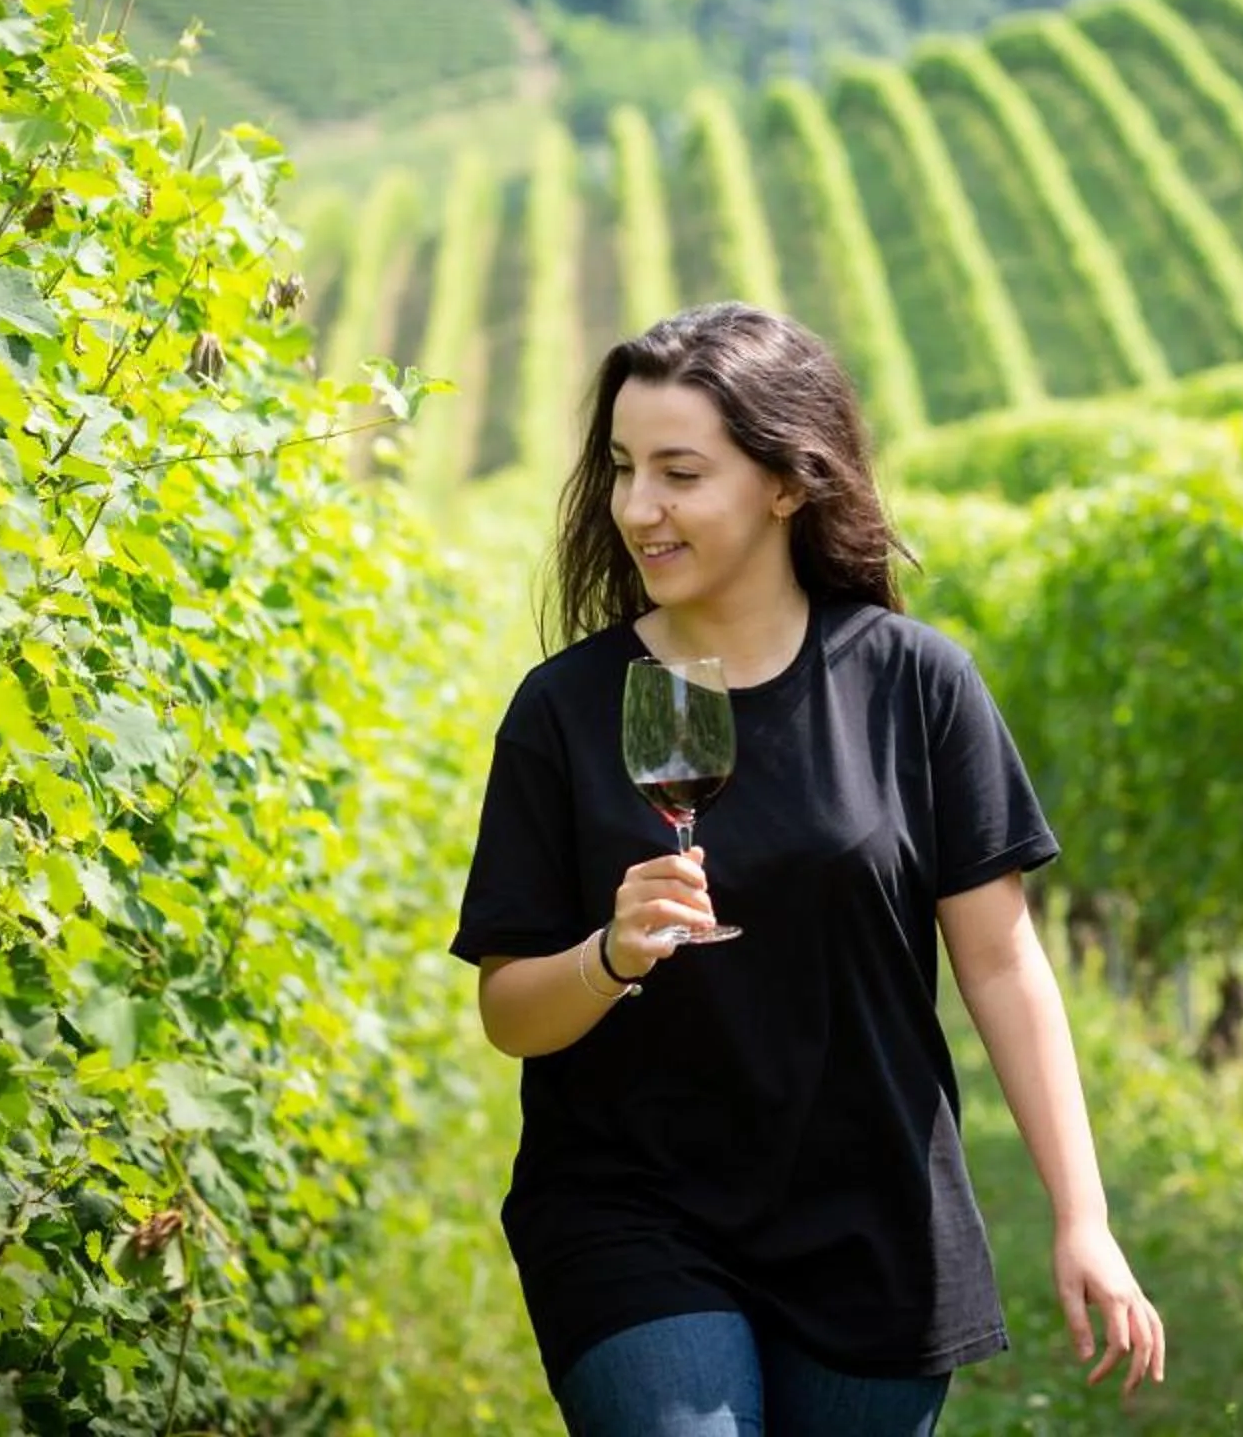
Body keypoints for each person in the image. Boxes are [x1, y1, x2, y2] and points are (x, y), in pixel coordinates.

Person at [450, 303, 1166, 1436]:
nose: (639, 506)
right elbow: (508, 1011)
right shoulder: (562, 708)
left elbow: (1002, 964)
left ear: (787, 481)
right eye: (625, 468)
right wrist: (607, 955)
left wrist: (1083, 1215)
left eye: (681, 472)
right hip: (629, 1211)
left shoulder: (914, 684)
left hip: (868, 1216)